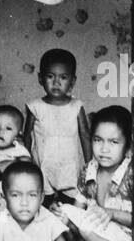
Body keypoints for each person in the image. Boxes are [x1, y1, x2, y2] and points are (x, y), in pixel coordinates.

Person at [57, 105, 133, 241]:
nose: (104, 149)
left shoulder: (132, 173)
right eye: (98, 140)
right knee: (65, 214)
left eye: (114, 142)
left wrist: (111, 213)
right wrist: (64, 215)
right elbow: (78, 207)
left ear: (127, 146)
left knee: (87, 224)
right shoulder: (90, 169)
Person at [24, 49, 91, 196]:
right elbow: (27, 136)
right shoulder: (35, 106)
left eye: (63, 77)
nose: (56, 82)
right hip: (43, 166)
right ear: (40, 78)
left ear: (72, 81)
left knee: (71, 206)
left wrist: (91, 168)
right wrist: (27, 163)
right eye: (50, 76)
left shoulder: (76, 106)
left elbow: (85, 135)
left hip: (70, 168)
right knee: (44, 204)